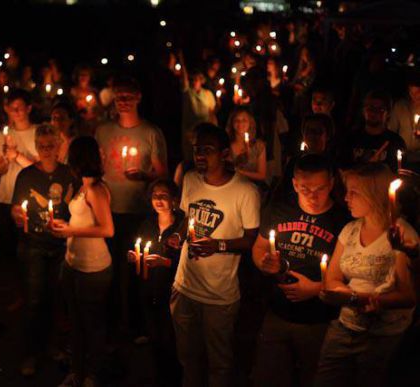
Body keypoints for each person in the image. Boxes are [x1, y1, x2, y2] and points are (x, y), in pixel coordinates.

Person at [171, 123, 260, 387]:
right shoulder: (190, 180)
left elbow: (251, 239)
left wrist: (218, 245)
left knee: (219, 364)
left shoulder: (244, 191)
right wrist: (178, 235)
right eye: (197, 149)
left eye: (207, 150)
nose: (199, 155)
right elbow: (186, 218)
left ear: (224, 154)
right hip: (184, 287)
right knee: (188, 359)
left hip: (219, 296)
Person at [252, 154, 351, 387]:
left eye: (320, 188)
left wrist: (316, 289)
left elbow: (351, 274)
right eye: (305, 188)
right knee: (270, 376)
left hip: (319, 320)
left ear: (332, 183)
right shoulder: (279, 210)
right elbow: (259, 246)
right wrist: (264, 263)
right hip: (277, 313)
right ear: (295, 184)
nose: (313, 196)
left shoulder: (342, 221)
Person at [316, 162, 418, 387]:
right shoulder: (350, 230)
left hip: (381, 336)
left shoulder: (401, 236)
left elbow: (407, 296)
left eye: (354, 193)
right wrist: (340, 293)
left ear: (375, 195)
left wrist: (351, 298)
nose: (346, 198)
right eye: (347, 191)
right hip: (344, 328)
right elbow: (332, 277)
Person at [94, 76, 167, 332]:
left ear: (138, 98)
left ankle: (138, 326)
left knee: (137, 269)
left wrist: (144, 176)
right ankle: (112, 324)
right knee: (110, 270)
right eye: (118, 97)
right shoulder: (103, 131)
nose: (123, 102)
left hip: (138, 210)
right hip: (108, 210)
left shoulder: (150, 133)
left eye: (128, 97)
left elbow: (162, 173)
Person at [10, 124, 77, 377]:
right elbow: (16, 208)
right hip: (34, 245)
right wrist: (17, 214)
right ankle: (31, 352)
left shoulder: (69, 174)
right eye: (42, 146)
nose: (47, 150)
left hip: (61, 246)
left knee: (57, 299)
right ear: (36, 148)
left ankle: (53, 347)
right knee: (34, 300)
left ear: (59, 146)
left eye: (52, 145)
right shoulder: (26, 175)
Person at [50, 137, 114, 387]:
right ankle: (77, 372)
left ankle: (93, 374)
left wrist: (71, 232)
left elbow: (108, 229)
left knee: (92, 324)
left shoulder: (96, 189)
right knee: (76, 323)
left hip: (92, 267)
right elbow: (84, 222)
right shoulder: (81, 185)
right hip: (73, 263)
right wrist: (67, 226)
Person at [127, 179, 184, 385]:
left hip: (171, 290)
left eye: (163, 195)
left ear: (174, 200)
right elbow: (137, 246)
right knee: (154, 337)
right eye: (155, 196)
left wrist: (165, 262)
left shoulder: (181, 227)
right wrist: (133, 256)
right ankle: (159, 376)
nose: (158, 200)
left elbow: (186, 261)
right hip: (147, 288)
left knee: (171, 339)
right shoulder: (147, 224)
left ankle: (175, 378)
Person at [0, 89, 38, 257]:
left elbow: (39, 169)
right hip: (5, 196)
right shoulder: (3, 135)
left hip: (28, 197)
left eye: (20, 107)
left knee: (26, 248)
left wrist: (17, 156)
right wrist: (6, 159)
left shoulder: (37, 132)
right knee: (4, 248)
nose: (17, 112)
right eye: (13, 108)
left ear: (29, 108)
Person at [338, 90, 406, 173]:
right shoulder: (350, 139)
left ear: (388, 113)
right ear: (363, 111)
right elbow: (342, 169)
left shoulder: (395, 142)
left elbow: (399, 173)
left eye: (380, 109)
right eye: (370, 108)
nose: (374, 112)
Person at [225, 108, 268, 184]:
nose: (240, 123)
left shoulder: (258, 146)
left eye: (244, 120)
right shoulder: (226, 145)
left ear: (250, 123)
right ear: (232, 123)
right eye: (236, 120)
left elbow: (262, 175)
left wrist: (241, 172)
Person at [388, 72, 420, 169]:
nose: (414, 96)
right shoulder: (400, 106)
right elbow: (391, 131)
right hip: (403, 158)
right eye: (411, 92)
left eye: (418, 92)